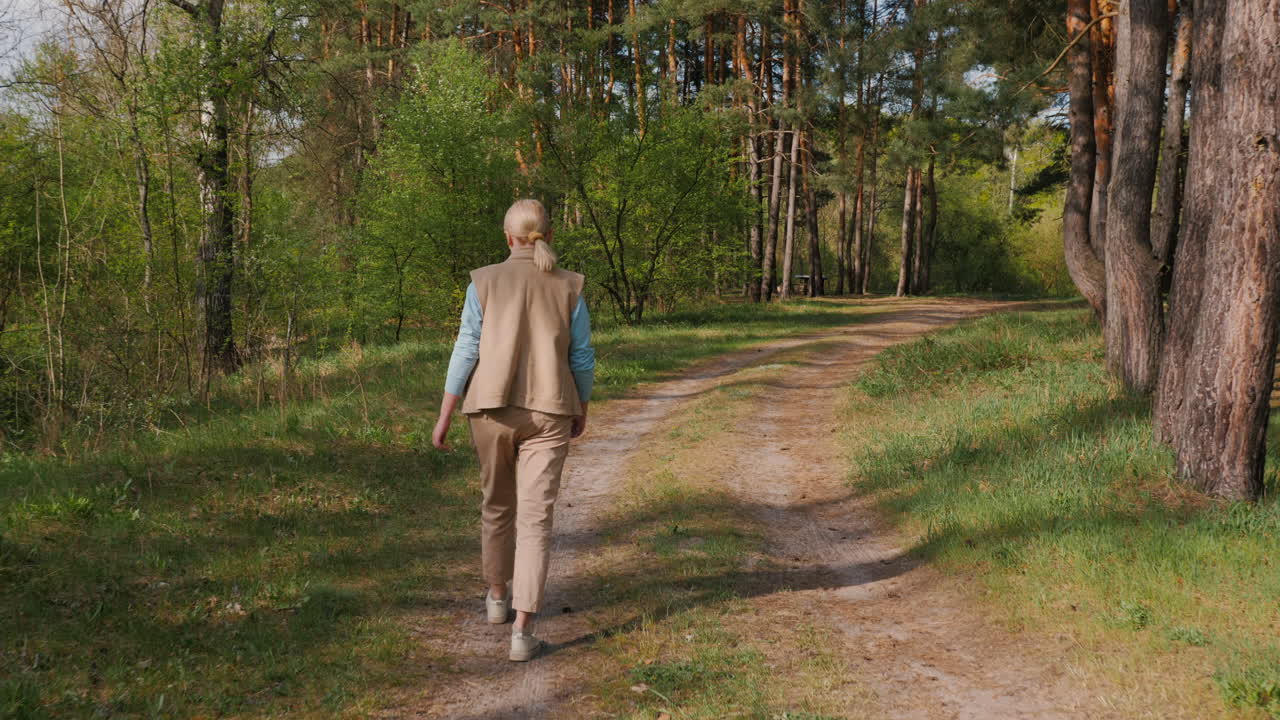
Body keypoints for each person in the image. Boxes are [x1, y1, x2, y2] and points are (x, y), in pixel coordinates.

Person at [431, 198, 595, 662]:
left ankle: (498, 597)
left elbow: (466, 347)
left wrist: (445, 413)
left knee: (496, 506)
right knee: (536, 519)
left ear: (508, 237)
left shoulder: (483, 281)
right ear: (549, 235)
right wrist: (582, 406)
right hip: (550, 410)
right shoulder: (570, 285)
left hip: (490, 409)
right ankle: (522, 631)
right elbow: (581, 355)